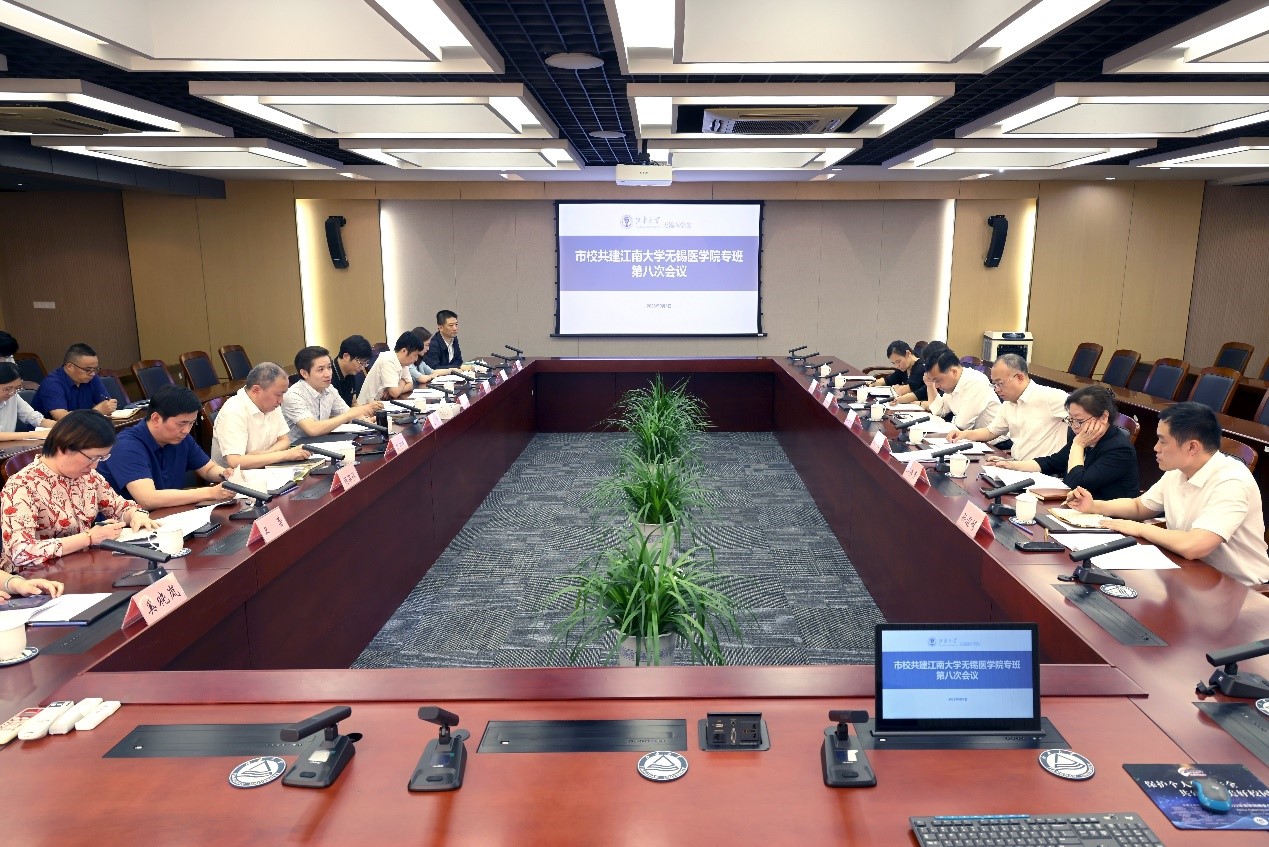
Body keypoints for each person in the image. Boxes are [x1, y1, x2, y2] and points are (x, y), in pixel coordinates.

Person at [1067, 402, 1269, 587]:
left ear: (1192, 447)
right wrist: (1094, 506)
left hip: (1239, 588)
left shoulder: (1232, 480)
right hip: (1190, 572)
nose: (1155, 448)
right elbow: (1140, 507)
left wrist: (1139, 529)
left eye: (1163, 441)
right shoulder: (1179, 470)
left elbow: (1194, 545)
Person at [1, 410, 159, 574]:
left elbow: (118, 507)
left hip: (81, 566)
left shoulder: (87, 475)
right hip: (35, 577)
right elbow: (20, 552)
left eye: (101, 458)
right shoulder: (22, 486)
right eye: (92, 458)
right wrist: (88, 538)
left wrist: (136, 515)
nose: (95, 465)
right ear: (63, 448)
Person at [985, 385, 1139, 500]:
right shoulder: (1082, 436)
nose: (1074, 427)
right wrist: (1012, 465)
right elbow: (1052, 462)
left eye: (1079, 420)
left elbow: (1076, 484)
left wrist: (1078, 445)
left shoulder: (1119, 449)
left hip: (1107, 520)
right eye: (1070, 420)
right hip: (1077, 509)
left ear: (1104, 417)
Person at [99, 385, 236, 509]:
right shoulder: (126, 446)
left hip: (169, 512)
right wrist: (210, 492)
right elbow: (147, 499)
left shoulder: (181, 438)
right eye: (181, 424)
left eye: (191, 423)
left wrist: (224, 474)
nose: (186, 430)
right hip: (130, 522)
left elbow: (208, 469)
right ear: (156, 419)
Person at [947, 353, 1068, 460]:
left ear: (1019, 377)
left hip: (1042, 470)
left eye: (1000, 383)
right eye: (995, 384)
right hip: (1015, 465)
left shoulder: (1049, 397)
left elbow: (1079, 411)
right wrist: (964, 435)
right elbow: (990, 432)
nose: (997, 389)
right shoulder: (1008, 404)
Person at [210, 362, 310, 470]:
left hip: (265, 469)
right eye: (278, 394)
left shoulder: (271, 404)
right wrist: (284, 455)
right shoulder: (233, 411)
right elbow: (235, 462)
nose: (281, 400)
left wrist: (265, 454)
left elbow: (284, 440)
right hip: (235, 477)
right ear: (256, 390)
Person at [282, 345, 382, 441]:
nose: (328, 374)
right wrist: (349, 415)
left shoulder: (329, 388)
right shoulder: (293, 396)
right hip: (298, 448)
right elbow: (312, 429)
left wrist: (367, 420)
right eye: (320, 370)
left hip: (322, 441)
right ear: (304, 373)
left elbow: (346, 412)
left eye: (329, 367)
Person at [921, 348, 1001, 432]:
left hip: (996, 439)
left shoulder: (975, 382)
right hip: (974, 436)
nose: (936, 386)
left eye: (937, 380)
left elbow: (962, 425)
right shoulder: (952, 384)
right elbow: (939, 410)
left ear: (954, 372)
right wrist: (930, 385)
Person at [32, 343, 116, 419]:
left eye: (95, 369)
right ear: (70, 367)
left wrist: (107, 407)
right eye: (88, 369)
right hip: (52, 430)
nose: (93, 373)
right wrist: (96, 412)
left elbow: (106, 404)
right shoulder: (52, 384)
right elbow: (62, 418)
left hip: (84, 427)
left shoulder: (91, 377)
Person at [359, 331, 424, 403]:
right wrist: (402, 382)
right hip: (367, 405)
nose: (416, 359)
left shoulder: (403, 363)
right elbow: (394, 393)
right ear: (404, 351)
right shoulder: (388, 360)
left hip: (382, 402)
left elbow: (410, 385)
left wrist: (399, 386)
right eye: (415, 355)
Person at [0, 362, 55, 441]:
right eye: (7, 389)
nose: (12, 393)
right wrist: (33, 435)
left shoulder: (13, 397)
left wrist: (59, 427)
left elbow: (33, 417)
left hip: (8, 447)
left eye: (17, 388)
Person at [332, 335, 373, 407]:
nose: (362, 368)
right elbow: (334, 412)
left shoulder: (351, 372)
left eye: (365, 364)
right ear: (346, 356)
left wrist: (368, 409)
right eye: (360, 363)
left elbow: (353, 403)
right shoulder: (328, 376)